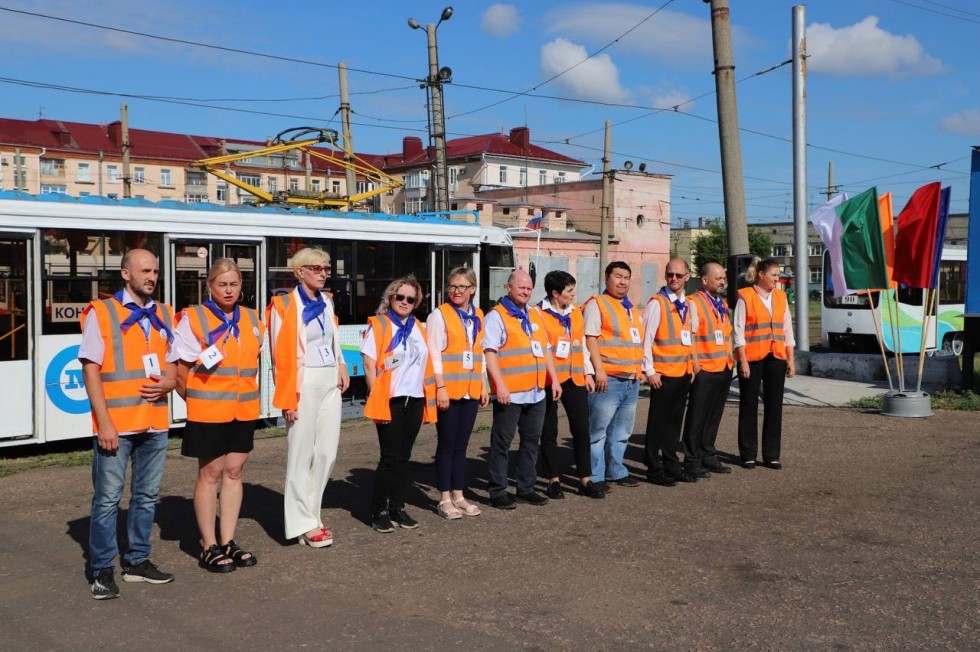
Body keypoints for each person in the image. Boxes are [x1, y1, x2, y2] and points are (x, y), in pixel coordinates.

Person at [79, 248, 177, 600]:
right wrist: (103, 422)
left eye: (155, 271)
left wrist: (169, 380)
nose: (152, 276)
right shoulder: (102, 313)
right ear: (125, 274)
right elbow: (90, 367)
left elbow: (173, 360)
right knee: (107, 499)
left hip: (154, 421)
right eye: (145, 270)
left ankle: (137, 561)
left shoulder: (165, 312)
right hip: (116, 425)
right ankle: (102, 569)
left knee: (146, 497)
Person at [171, 259, 264, 573]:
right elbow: (181, 373)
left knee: (234, 472)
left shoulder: (252, 320)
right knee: (210, 475)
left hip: (244, 409)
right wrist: (196, 402)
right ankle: (208, 545)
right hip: (208, 411)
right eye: (222, 284)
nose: (229, 290)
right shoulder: (193, 318)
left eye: (234, 284)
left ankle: (228, 541)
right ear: (209, 285)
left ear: (241, 287)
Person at [267, 248, 350, 548]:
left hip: (329, 379)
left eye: (326, 268)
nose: (323, 272)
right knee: (301, 454)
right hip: (303, 383)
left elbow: (333, 339)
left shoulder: (326, 302)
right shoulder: (283, 305)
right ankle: (303, 523)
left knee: (327, 452)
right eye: (316, 268)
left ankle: (313, 515)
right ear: (299, 272)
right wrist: (287, 397)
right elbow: (280, 357)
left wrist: (341, 364)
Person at [361, 275, 437, 533]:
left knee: (405, 458)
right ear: (390, 297)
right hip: (391, 400)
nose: (405, 302)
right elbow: (369, 365)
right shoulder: (380, 325)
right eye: (400, 297)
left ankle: (398, 507)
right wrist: (376, 397)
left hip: (414, 398)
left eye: (411, 299)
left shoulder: (418, 327)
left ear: (417, 303)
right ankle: (379, 509)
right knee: (390, 458)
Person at [483, 269, 561, 509]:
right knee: (502, 443)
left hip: (536, 391)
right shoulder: (497, 316)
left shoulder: (534, 315)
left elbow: (546, 349)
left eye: (529, 288)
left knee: (530, 442)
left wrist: (554, 379)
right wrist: (500, 386)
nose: (526, 292)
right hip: (511, 393)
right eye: (521, 287)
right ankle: (497, 491)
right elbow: (489, 353)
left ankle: (525, 487)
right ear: (509, 287)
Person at [535, 271, 605, 500]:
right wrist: (552, 378)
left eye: (573, 289)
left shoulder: (576, 312)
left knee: (581, 428)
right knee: (549, 430)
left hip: (574, 377)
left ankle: (586, 479)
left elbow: (581, 344)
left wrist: (587, 372)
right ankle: (553, 479)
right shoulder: (538, 313)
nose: (574, 294)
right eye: (569, 291)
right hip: (549, 379)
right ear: (555, 293)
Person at [426, 267, 489, 520]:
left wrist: (483, 384)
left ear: (472, 289)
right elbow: (434, 354)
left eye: (462, 287)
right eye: (452, 286)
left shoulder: (478, 315)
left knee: (462, 446)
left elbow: (479, 352)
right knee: (447, 445)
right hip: (448, 390)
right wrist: (439, 386)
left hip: (471, 388)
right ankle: (444, 499)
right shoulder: (439, 315)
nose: (456, 291)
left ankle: (459, 495)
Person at [582, 261, 644, 492]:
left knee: (621, 431)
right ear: (606, 278)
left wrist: (642, 369)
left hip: (631, 379)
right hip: (608, 378)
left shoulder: (630, 309)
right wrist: (598, 370)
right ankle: (594, 475)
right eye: (618, 276)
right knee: (597, 431)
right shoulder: (597, 304)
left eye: (626, 277)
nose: (622, 281)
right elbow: (590, 338)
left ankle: (616, 470)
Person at [734, 258, 796, 470]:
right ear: (761, 275)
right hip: (751, 359)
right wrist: (742, 360)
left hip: (776, 358)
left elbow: (787, 330)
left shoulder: (781, 297)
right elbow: (738, 331)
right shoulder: (746, 296)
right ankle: (748, 453)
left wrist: (791, 359)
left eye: (778, 275)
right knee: (749, 405)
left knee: (774, 406)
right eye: (774, 275)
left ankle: (771, 455)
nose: (777, 279)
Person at [642, 258, 696, 486]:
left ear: (687, 277)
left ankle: (672, 464)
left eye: (678, 275)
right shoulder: (658, 303)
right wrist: (650, 370)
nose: (673, 279)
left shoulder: (688, 304)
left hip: (682, 373)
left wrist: (692, 364)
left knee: (674, 424)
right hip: (663, 375)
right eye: (669, 274)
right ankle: (654, 469)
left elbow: (689, 338)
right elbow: (646, 339)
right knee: (657, 425)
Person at [681, 262, 734, 477]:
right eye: (718, 278)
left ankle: (708, 453)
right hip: (704, 367)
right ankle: (692, 459)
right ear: (705, 280)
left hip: (723, 366)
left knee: (714, 414)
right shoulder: (694, 302)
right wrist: (694, 363)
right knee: (697, 415)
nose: (723, 282)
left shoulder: (720, 302)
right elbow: (691, 336)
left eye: (724, 278)